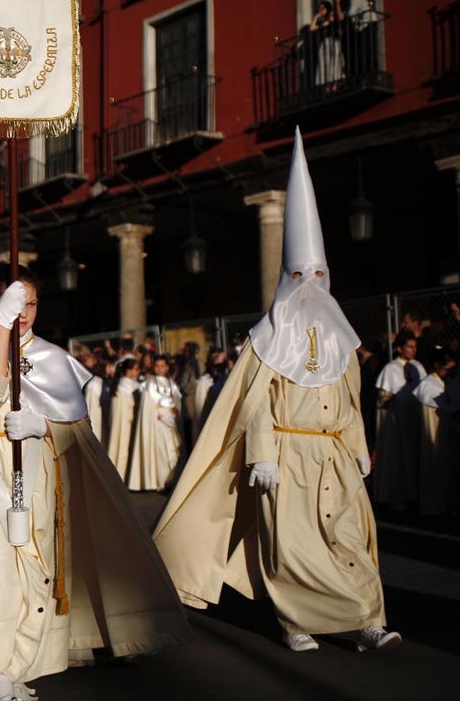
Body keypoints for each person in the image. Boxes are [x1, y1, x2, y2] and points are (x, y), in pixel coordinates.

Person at [0, 265, 190, 701]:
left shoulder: (52, 357)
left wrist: (42, 428)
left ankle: (20, 662)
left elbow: (76, 433)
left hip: (38, 471)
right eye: (15, 304)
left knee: (37, 571)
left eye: (30, 303)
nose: (24, 313)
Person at [154, 129, 400, 654]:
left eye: (318, 273)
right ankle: (295, 621)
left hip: (333, 452)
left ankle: (366, 619)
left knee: (350, 537)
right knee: (292, 546)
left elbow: (352, 401)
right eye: (300, 274)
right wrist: (262, 456)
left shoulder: (342, 338)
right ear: (287, 280)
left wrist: (358, 449)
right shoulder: (268, 339)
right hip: (287, 454)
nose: (310, 283)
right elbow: (256, 404)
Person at [374, 330, 427, 511]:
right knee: (397, 458)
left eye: (415, 347)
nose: (413, 350)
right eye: (409, 347)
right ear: (399, 348)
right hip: (397, 422)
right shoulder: (391, 369)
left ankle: (415, 494)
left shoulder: (418, 366)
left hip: (415, 419)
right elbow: (383, 398)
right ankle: (397, 496)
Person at [414, 351, 460, 516]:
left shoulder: (450, 382)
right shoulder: (427, 386)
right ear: (437, 365)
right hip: (439, 435)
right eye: (446, 367)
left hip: (453, 434)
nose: (450, 371)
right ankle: (437, 504)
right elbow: (437, 410)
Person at [128, 354, 183, 491]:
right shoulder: (149, 384)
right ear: (153, 367)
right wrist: (160, 416)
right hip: (157, 425)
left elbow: (177, 401)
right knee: (161, 452)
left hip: (172, 423)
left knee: (174, 451)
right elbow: (148, 408)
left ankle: (173, 479)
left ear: (167, 367)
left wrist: (174, 415)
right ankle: (162, 480)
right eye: (157, 366)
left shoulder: (172, 383)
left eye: (163, 366)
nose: (160, 369)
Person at [105, 357, 141, 479]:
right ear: (128, 370)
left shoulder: (129, 384)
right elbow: (128, 405)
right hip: (125, 422)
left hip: (127, 421)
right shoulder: (124, 386)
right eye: (136, 369)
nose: (138, 372)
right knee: (122, 447)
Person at [310, 0, 343, 87]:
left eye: (322, 8)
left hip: (333, 42)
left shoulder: (331, 18)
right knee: (324, 64)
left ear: (327, 9)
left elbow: (328, 24)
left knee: (334, 64)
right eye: (319, 9)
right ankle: (327, 86)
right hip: (325, 43)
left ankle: (334, 85)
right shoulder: (322, 21)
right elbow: (312, 28)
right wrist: (316, 17)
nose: (320, 10)